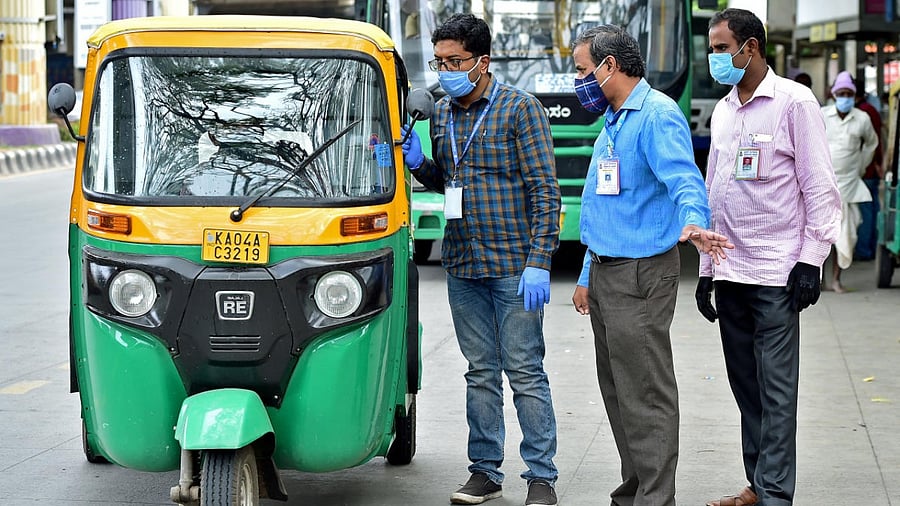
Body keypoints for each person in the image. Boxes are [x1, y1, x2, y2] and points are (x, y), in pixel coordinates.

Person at [399, 13, 561, 506]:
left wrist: (541, 258)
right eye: (439, 61)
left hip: (514, 264)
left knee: (525, 370)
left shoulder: (520, 110)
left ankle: (540, 477)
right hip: (464, 265)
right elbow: (445, 180)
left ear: (482, 61)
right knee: (480, 371)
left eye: (454, 61)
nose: (444, 69)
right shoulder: (444, 113)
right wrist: (417, 162)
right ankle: (485, 471)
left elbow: (545, 190)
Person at [568, 24, 732, 506]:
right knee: (619, 394)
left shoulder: (657, 115)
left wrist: (695, 223)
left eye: (582, 70)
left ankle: (656, 499)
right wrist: (584, 275)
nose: (578, 80)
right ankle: (635, 490)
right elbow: (604, 202)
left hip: (639, 274)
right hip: (604, 271)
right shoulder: (615, 120)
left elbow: (684, 178)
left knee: (647, 396)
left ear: (610, 66)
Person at [697, 8, 841, 506]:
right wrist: (706, 269)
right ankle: (758, 485)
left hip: (778, 269)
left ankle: (776, 493)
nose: (714, 57)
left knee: (776, 391)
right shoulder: (723, 110)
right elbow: (715, 189)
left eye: (720, 48)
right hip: (731, 268)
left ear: (750, 48)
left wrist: (811, 259)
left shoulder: (795, 102)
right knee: (746, 388)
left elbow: (820, 187)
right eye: (712, 49)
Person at [822, 71, 878, 292]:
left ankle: (836, 279)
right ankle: (821, 281)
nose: (845, 97)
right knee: (820, 236)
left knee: (845, 236)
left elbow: (872, 144)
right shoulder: (822, 115)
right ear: (834, 95)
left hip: (850, 185)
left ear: (854, 96)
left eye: (848, 94)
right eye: (841, 93)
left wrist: (861, 167)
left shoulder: (862, 118)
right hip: (823, 185)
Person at [854, 80, 884, 261]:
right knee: (873, 211)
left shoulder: (862, 113)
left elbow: (869, 144)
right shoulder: (871, 110)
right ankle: (872, 248)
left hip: (864, 171)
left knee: (864, 214)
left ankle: (864, 250)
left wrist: (863, 166)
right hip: (873, 169)